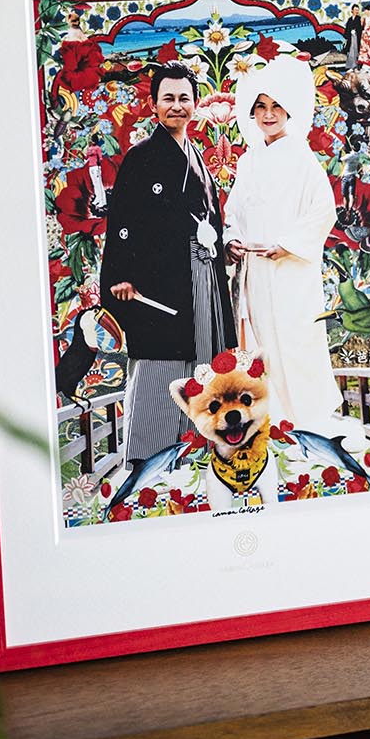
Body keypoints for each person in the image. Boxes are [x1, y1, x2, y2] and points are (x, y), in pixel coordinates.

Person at [99, 62, 236, 462]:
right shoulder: (141, 157)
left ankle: (195, 457)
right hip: (158, 283)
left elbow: (210, 220)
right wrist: (121, 275)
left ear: (195, 104)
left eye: (184, 98)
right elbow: (122, 223)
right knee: (161, 365)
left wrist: (222, 250)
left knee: (203, 363)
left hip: (201, 276)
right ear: (153, 105)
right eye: (168, 98)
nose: (177, 106)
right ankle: (147, 462)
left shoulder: (196, 157)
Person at [224, 56, 348, 431]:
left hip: (291, 271)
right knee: (261, 345)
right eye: (261, 106)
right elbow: (233, 212)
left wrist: (288, 245)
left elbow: (323, 210)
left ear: (288, 110)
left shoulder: (301, 157)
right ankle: (273, 423)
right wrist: (232, 240)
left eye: (276, 105)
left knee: (296, 343)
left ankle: (308, 421)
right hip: (256, 272)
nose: (268, 114)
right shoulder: (248, 162)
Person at [342, 4, 363, 72]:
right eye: (355, 10)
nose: (356, 11)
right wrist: (346, 37)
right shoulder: (350, 19)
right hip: (350, 37)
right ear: (352, 10)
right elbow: (347, 29)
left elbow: (360, 28)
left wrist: (355, 31)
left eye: (357, 10)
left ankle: (356, 66)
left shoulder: (359, 18)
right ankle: (350, 66)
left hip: (356, 37)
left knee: (356, 51)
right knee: (350, 51)